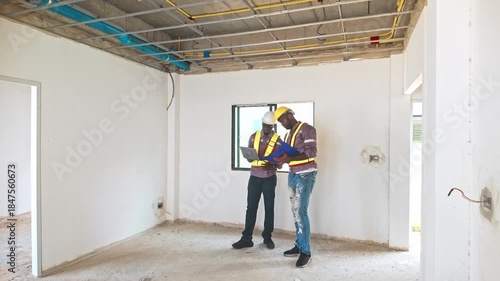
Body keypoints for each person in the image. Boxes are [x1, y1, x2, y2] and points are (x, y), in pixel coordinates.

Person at [273, 106, 318, 268]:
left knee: (301, 211)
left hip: (305, 174)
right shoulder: (288, 134)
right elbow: (289, 156)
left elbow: (312, 152)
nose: (282, 123)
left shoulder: (307, 129)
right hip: (293, 174)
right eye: (279, 121)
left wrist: (287, 159)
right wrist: (278, 161)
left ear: (290, 114)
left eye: (282, 119)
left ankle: (306, 252)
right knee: (295, 211)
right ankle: (299, 245)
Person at [232, 111, 281, 250]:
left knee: (269, 208)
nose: (267, 128)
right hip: (254, 177)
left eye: (270, 126)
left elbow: (281, 162)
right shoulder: (254, 137)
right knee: (251, 208)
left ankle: (267, 238)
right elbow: (249, 157)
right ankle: (246, 238)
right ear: (262, 123)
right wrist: (249, 157)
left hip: (269, 178)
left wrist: (274, 164)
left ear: (273, 126)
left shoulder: (278, 140)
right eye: (265, 125)